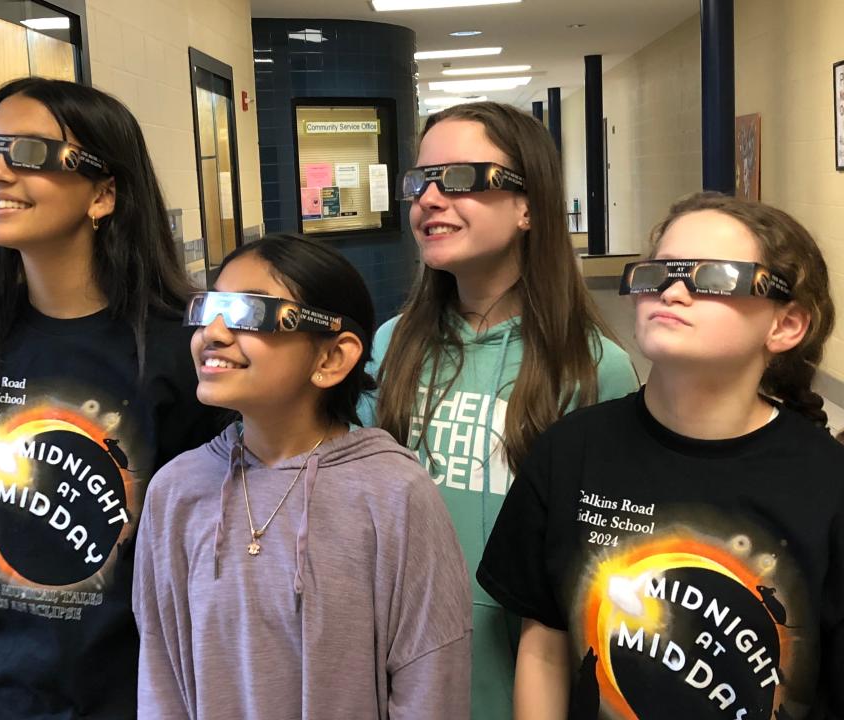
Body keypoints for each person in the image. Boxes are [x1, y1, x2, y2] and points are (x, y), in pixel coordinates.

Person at [478, 192, 844, 719]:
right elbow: (545, 644)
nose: (672, 291)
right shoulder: (571, 451)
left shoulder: (828, 484)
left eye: (713, 277)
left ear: (785, 325)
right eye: (657, 273)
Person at [0, 77, 223, 719]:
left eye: (30, 154)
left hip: (138, 696)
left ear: (103, 193)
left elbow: (214, 549)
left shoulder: (180, 351)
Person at [360, 101, 639, 717]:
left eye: (460, 178)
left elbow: (600, 568)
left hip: (521, 681)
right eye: (420, 181)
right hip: (393, 672)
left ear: (529, 207)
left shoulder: (593, 368)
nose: (429, 198)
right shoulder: (390, 345)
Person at [133, 234, 473, 719]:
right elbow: (161, 680)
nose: (213, 331)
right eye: (210, 307)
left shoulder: (395, 496)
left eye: (250, 313)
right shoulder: (175, 493)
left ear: (331, 358)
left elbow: (430, 690)